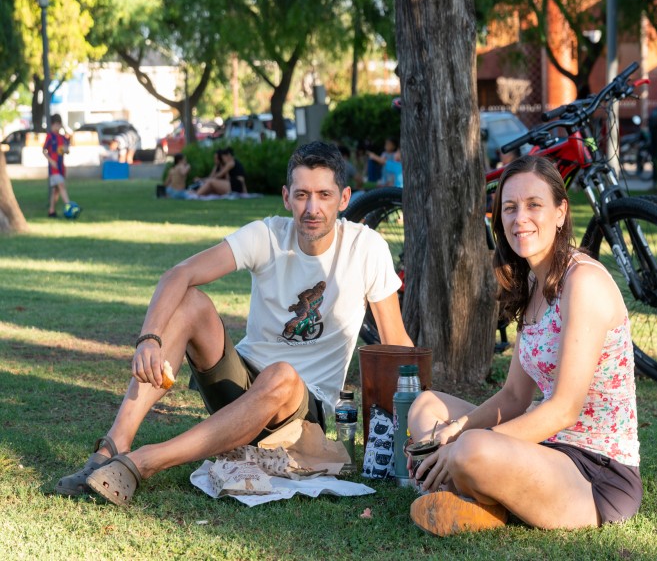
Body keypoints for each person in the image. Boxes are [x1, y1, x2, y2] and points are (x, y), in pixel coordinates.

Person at [55, 141, 413, 505]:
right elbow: (179, 273)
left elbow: (395, 343)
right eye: (302, 194)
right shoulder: (268, 235)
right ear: (286, 197)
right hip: (239, 386)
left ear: (344, 198)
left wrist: (421, 420)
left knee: (282, 374)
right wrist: (149, 339)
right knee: (191, 301)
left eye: (324, 195)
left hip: (304, 410)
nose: (312, 208)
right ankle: (112, 446)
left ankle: (143, 462)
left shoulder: (366, 248)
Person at [405, 156, 641, 537]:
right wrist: (457, 427)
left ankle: (469, 487)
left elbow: (565, 408)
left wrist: (464, 442)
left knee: (470, 449)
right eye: (510, 208)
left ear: (561, 212)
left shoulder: (583, 282)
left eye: (534, 205)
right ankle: (481, 498)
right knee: (426, 407)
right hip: (543, 447)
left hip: (594, 473)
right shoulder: (533, 283)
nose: (520, 219)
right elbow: (514, 395)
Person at [43, 114, 78, 218]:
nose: (57, 127)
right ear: (52, 125)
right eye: (56, 125)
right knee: (61, 185)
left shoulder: (63, 138)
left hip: (61, 167)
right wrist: (51, 161)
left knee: (56, 190)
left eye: (59, 125)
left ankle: (51, 211)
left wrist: (66, 149)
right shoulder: (50, 136)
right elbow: (44, 150)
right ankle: (69, 205)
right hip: (54, 168)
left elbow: (67, 150)